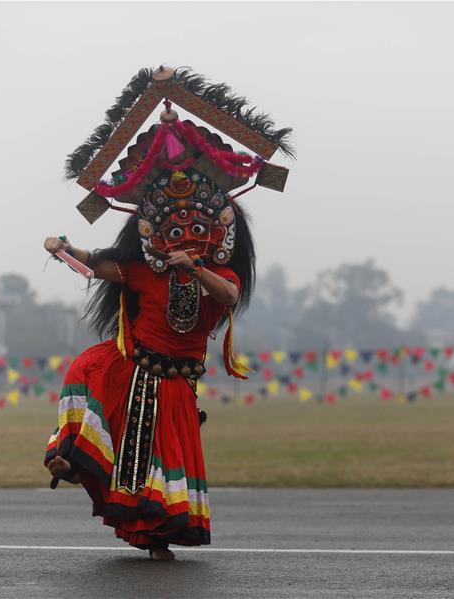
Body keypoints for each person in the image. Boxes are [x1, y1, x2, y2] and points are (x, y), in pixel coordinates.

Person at [43, 66, 292, 560]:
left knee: (160, 464)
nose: (183, 230)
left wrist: (195, 268)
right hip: (133, 367)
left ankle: (155, 538)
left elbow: (225, 295)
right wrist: (63, 247)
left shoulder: (221, 276)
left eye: (195, 224)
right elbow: (99, 266)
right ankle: (72, 457)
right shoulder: (142, 269)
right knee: (86, 368)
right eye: (172, 226)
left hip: (176, 384)